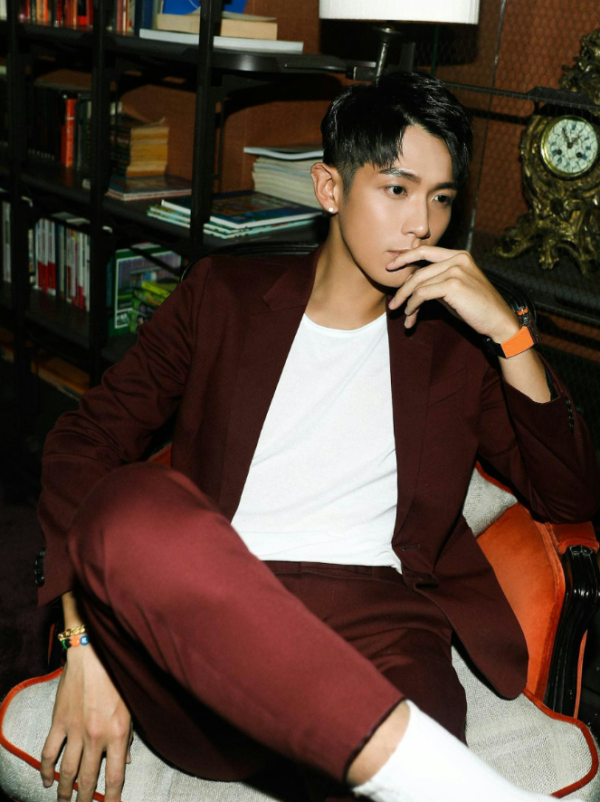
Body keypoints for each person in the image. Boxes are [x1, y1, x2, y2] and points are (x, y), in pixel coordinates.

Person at [36, 71, 599, 802]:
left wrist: (509, 334)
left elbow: (567, 494)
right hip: (210, 609)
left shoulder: (457, 344)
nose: (421, 224)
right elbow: (84, 440)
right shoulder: (221, 296)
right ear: (330, 188)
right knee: (133, 504)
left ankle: (427, 775)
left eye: (441, 198)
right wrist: (83, 643)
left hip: (379, 630)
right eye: (396, 189)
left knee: (404, 709)